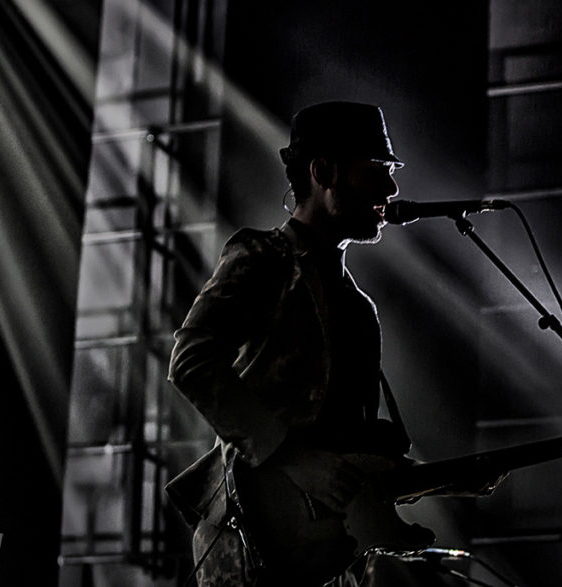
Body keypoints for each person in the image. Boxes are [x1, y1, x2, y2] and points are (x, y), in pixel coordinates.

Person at [166, 101, 421, 586]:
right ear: (323, 172)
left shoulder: (359, 309)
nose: (390, 189)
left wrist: (451, 481)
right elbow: (191, 361)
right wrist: (294, 459)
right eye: (377, 169)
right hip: (248, 544)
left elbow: (351, 458)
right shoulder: (264, 258)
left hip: (328, 558)